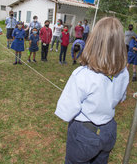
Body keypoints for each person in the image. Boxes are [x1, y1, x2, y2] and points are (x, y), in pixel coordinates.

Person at [55, 17, 129, 164]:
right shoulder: (124, 72)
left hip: (84, 134)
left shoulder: (82, 74)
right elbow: (121, 98)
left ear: (93, 41)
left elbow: (66, 111)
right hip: (108, 131)